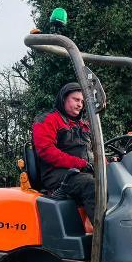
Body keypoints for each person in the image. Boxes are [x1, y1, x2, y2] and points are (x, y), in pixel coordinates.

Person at [32, 82, 96, 220]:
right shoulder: (48, 119)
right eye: (76, 99)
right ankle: (105, 236)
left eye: (82, 101)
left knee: (114, 181)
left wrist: (107, 162)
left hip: (82, 171)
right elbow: (46, 150)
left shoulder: (83, 125)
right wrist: (79, 163)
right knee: (92, 185)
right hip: (57, 174)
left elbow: (93, 151)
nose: (80, 104)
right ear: (63, 99)